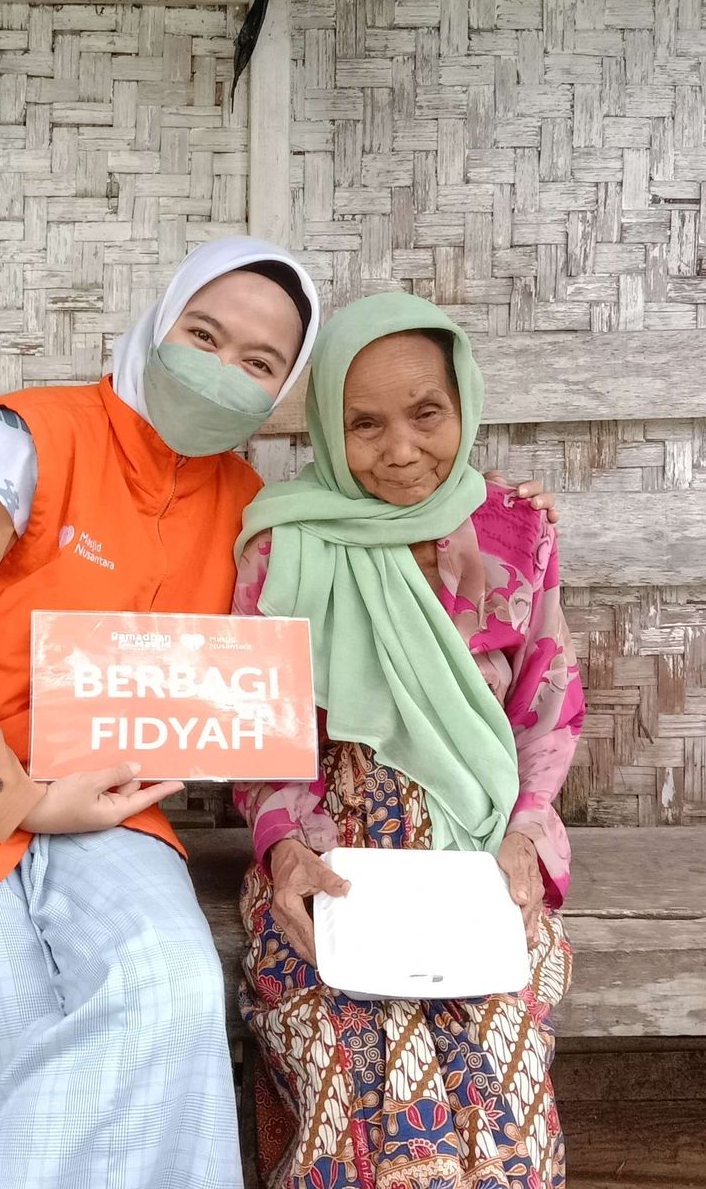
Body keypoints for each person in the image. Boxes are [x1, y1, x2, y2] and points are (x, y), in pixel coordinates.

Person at [0, 241, 557, 1189]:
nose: (223, 370)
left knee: (171, 985)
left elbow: (314, 624)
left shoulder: (252, 510)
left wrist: (493, 514)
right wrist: (22, 797)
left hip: (105, 803)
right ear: (160, 324)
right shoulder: (28, 444)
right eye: (204, 336)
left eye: (259, 362)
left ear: (283, 392)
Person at [229, 292, 586, 1189]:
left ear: (463, 406)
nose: (399, 450)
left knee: (498, 1089)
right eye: (365, 424)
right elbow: (258, 729)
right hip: (332, 860)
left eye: (427, 413)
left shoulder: (516, 534)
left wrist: (525, 839)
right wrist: (286, 854)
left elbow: (548, 706)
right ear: (328, 426)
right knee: (349, 1067)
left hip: (479, 857)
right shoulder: (286, 543)